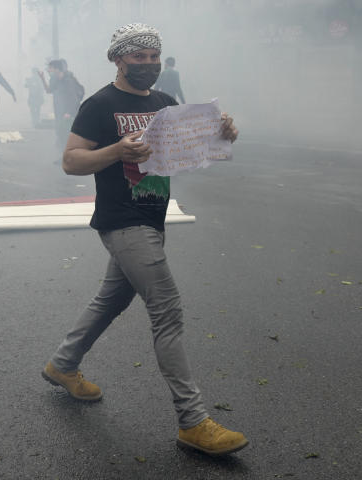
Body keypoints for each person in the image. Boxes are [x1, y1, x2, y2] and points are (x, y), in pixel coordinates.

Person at [41, 23, 247, 457]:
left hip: (153, 216)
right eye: (139, 57)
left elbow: (192, 146)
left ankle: (62, 364)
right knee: (167, 309)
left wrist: (223, 133)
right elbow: (71, 161)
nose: (149, 65)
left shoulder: (164, 103)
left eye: (154, 57)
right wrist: (117, 150)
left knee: (112, 299)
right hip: (122, 220)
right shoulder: (99, 104)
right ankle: (193, 422)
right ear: (119, 59)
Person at [40, 59, 85, 159]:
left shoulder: (68, 80)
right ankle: (65, 157)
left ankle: (70, 157)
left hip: (68, 113)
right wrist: (42, 78)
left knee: (66, 135)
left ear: (57, 69)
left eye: (50, 68)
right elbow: (49, 90)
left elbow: (73, 98)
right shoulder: (56, 79)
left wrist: (68, 112)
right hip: (60, 111)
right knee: (61, 133)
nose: (48, 70)